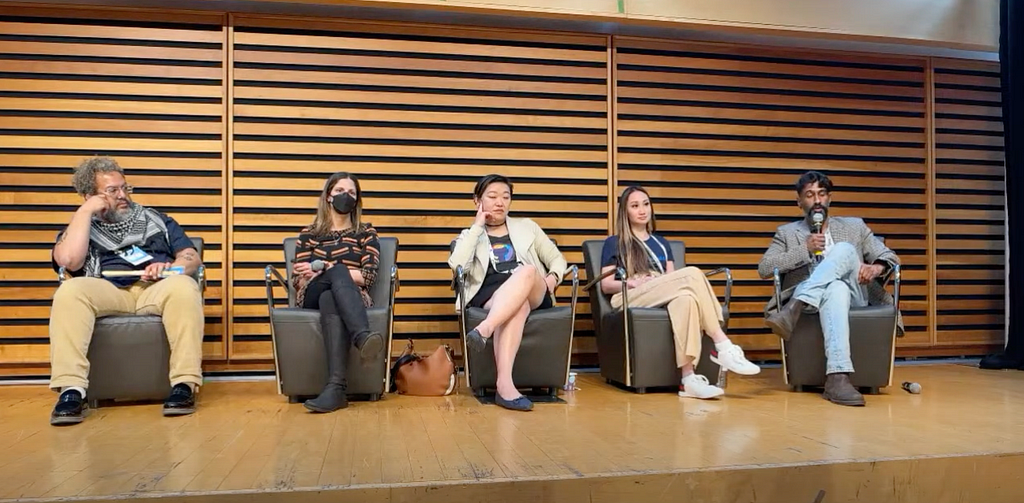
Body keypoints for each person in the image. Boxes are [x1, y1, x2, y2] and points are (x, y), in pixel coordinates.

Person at [48, 156, 204, 426]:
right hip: (107, 289)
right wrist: (85, 213)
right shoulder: (80, 226)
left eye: (125, 188)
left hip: (155, 287)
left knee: (184, 286)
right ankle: (72, 390)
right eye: (112, 191)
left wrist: (170, 270)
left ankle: (184, 385)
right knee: (70, 291)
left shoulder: (158, 220)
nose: (123, 195)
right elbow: (69, 262)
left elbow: (191, 257)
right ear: (89, 196)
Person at [599, 186, 761, 399]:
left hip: (659, 293)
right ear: (625, 212)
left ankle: (688, 379)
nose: (642, 210)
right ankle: (722, 344)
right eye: (635, 206)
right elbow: (606, 284)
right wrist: (630, 283)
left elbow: (673, 280)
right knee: (692, 273)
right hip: (628, 295)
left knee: (686, 299)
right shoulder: (615, 242)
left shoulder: (661, 243)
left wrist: (660, 283)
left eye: (646, 204)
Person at [758, 171, 901, 407]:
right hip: (827, 299)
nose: (817, 200)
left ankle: (795, 306)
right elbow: (764, 268)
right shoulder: (787, 233)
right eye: (810, 195)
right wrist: (803, 249)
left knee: (844, 249)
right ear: (799, 202)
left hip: (857, 295)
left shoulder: (855, 227)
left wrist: (876, 268)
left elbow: (890, 256)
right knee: (835, 288)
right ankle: (837, 377)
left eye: (822, 194)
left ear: (829, 198)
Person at [448, 174, 567, 411]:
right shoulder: (469, 235)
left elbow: (557, 260)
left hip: (533, 288)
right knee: (517, 306)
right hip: (492, 295)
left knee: (527, 271)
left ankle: (485, 329)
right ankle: (504, 386)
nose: (499, 202)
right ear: (477, 201)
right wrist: (477, 227)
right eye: (492, 197)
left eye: (505, 197)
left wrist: (554, 277)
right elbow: (457, 265)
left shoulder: (528, 227)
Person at [292, 172, 383, 413]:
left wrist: (325, 268)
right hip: (311, 294)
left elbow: (368, 277)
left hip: (352, 296)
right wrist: (334, 271)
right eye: (341, 191)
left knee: (330, 296)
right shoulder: (309, 233)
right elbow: (299, 280)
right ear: (329, 196)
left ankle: (336, 389)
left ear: (358, 200)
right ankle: (362, 335)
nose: (346, 196)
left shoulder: (366, 233)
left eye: (352, 193)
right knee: (333, 278)